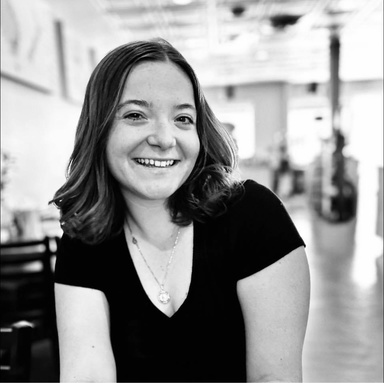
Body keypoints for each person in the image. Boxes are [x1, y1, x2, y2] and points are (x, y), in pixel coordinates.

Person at [51, 38, 310, 382]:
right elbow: (87, 374)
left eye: (183, 118)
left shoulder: (254, 217)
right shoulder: (84, 239)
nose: (164, 137)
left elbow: (274, 378)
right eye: (135, 115)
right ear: (98, 129)